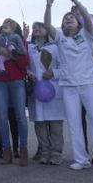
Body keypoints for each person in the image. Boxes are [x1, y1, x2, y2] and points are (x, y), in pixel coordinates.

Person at [44, 0, 93, 174]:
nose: (68, 19)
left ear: (79, 23)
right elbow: (47, 24)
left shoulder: (86, 34)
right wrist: (49, 6)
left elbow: (86, 16)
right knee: (74, 123)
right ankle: (81, 158)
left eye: (72, 18)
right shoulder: (60, 38)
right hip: (69, 86)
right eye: (65, 18)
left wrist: (76, 2)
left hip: (89, 83)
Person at [0, 18, 30, 166]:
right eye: (3, 25)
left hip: (17, 81)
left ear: (14, 28)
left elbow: (25, 61)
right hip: (0, 81)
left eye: (8, 24)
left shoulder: (19, 40)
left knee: (20, 116)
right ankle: (6, 151)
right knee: (1, 117)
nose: (4, 26)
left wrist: (9, 54)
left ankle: (23, 150)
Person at [27, 21, 64, 165]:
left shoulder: (56, 47)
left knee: (55, 123)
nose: (36, 29)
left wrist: (54, 73)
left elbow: (65, 67)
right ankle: (44, 151)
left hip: (53, 89)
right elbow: (25, 66)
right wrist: (29, 74)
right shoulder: (30, 48)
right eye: (34, 28)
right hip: (37, 89)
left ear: (47, 31)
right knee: (39, 123)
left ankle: (56, 153)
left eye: (40, 27)